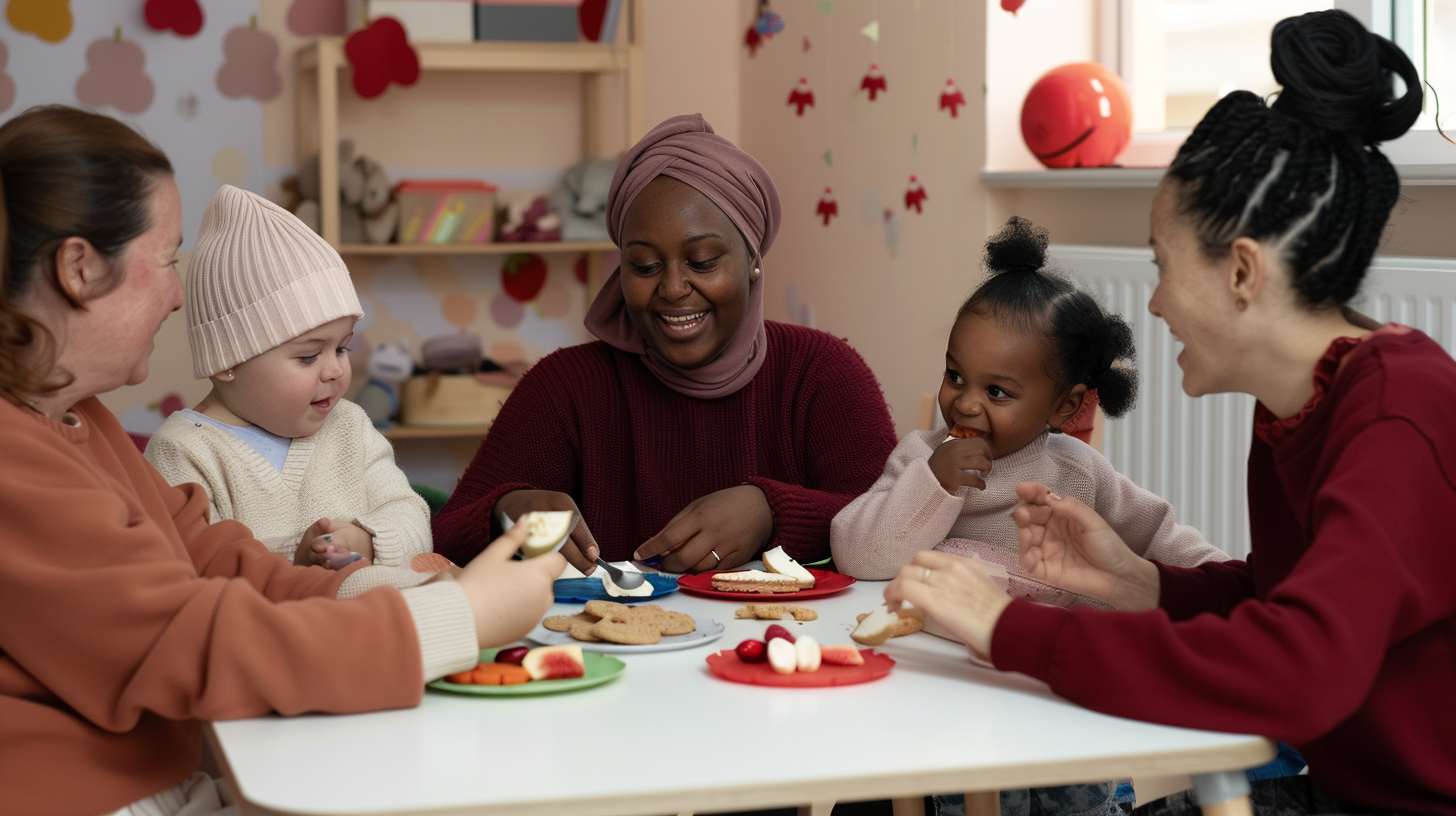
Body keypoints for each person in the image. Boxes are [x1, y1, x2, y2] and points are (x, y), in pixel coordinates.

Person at [882, 11, 1456, 815]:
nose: (1152, 302)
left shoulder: (1400, 414)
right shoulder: (1300, 405)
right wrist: (1139, 581)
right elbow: (1281, 599)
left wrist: (1005, 628)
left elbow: (1299, 666)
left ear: (1244, 273)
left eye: (1163, 266)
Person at [0, 105, 563, 816]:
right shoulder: (14, 456)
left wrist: (392, 591)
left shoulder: (81, 419)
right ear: (79, 268)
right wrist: (456, 621)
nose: (179, 295)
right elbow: (192, 637)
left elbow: (215, 561)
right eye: (169, 260)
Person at [432, 114, 897, 575]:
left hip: (796, 645)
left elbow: (894, 524)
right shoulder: (566, 388)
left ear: (753, 259)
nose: (673, 288)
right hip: (611, 649)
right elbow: (442, 535)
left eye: (703, 261)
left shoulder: (822, 372)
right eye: (645, 266)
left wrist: (771, 513)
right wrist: (504, 511)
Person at [831, 216, 1227, 605]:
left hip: (1039, 654)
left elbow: (1163, 538)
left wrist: (1240, 588)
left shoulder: (1079, 474)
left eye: (997, 391)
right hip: (930, 652)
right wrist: (935, 483)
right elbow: (854, 556)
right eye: (954, 376)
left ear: (1063, 405)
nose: (966, 403)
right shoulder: (920, 456)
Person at [145, 185, 431, 572]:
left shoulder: (349, 426)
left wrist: (369, 538)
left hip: (378, 619)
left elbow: (411, 514)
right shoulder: (184, 452)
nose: (335, 370)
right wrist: (293, 555)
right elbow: (194, 567)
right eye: (309, 356)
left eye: (342, 348)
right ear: (227, 360)